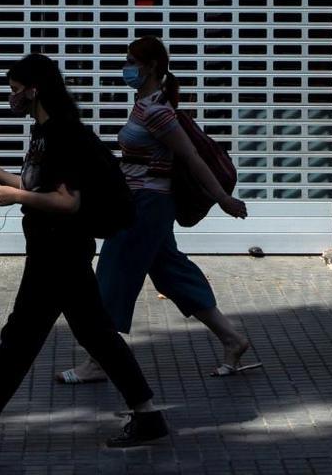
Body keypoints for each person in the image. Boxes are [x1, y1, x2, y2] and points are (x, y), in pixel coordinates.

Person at [0, 54, 168, 452]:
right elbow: (35, 185)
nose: (11, 97)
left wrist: (14, 196)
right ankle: (148, 415)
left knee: (22, 336)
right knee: (94, 335)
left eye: (15, 89)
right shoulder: (42, 134)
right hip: (53, 249)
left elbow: (67, 202)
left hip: (59, 250)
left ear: (34, 89)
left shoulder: (63, 135)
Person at [55, 35, 261, 384]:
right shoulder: (145, 103)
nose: (126, 68)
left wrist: (223, 199)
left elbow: (191, 157)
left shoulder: (158, 111)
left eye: (132, 62)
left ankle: (99, 359)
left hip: (146, 206)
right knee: (172, 274)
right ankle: (233, 339)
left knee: (111, 274)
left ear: (150, 66)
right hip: (144, 204)